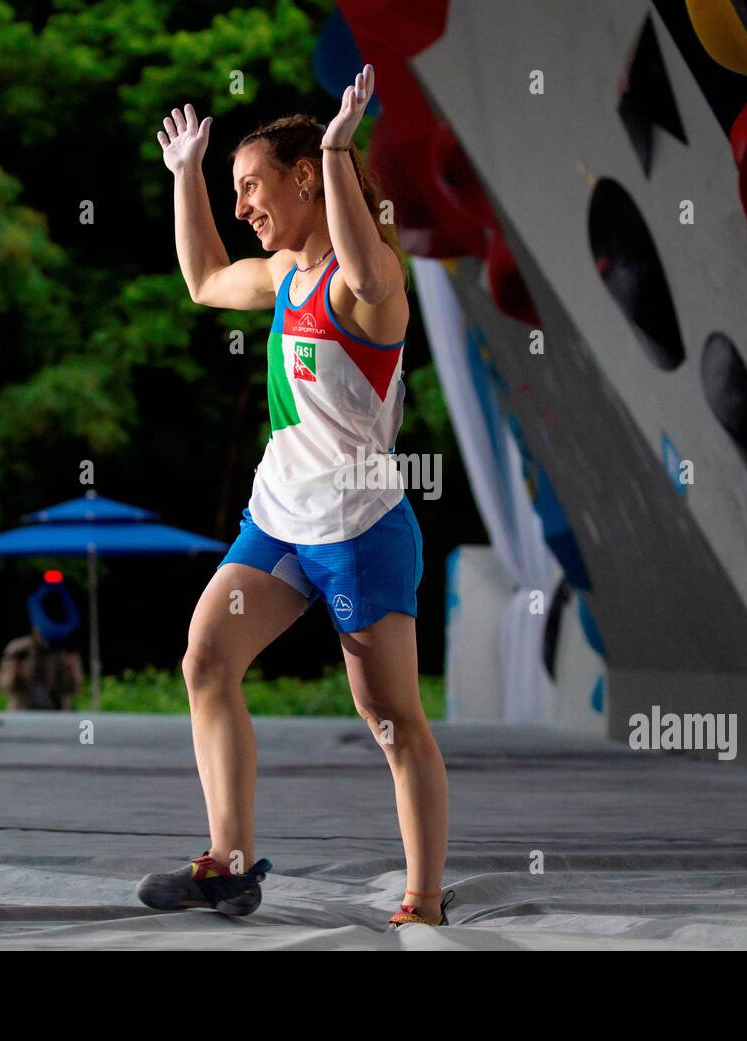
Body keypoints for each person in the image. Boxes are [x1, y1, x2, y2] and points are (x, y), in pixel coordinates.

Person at [137, 65, 454, 928]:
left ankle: (422, 903)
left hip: (358, 528)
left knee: (391, 719)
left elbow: (369, 264)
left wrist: (341, 148)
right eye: (234, 190)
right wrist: (187, 178)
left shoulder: (366, 283)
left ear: (306, 176)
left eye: (250, 186)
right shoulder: (281, 278)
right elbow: (204, 279)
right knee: (206, 658)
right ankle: (229, 862)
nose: (242, 206)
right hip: (278, 520)